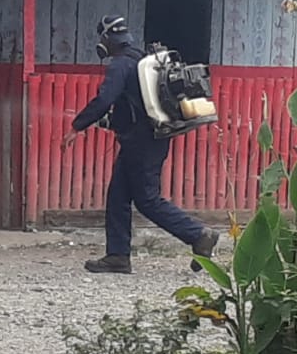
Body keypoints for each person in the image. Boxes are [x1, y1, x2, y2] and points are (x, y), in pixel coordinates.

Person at [70, 15, 218, 275]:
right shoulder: (141, 60)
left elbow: (105, 99)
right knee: (118, 197)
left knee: (147, 200)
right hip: (151, 137)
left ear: (106, 39)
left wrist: (77, 126)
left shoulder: (120, 65)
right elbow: (133, 105)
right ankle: (117, 256)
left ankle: (198, 234)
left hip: (141, 142)